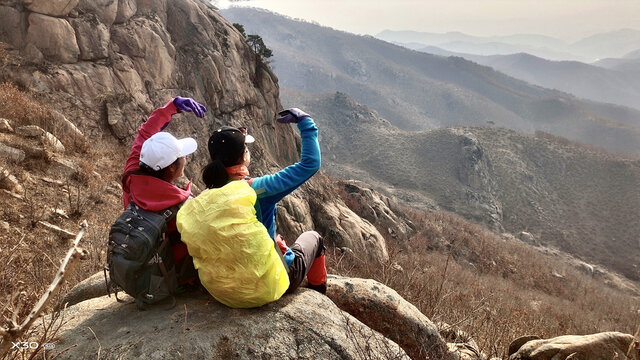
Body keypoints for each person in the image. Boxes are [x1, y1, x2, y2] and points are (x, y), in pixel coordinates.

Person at [176, 108, 327, 308]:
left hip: (223, 289)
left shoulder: (206, 196)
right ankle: (320, 298)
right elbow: (310, 164)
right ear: (243, 156)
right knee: (314, 238)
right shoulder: (257, 190)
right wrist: (307, 123)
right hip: (270, 280)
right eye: (246, 149)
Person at [121, 96, 207, 287]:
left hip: (140, 263)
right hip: (169, 275)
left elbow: (145, 134)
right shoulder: (180, 203)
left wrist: (172, 106)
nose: (186, 157)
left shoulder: (134, 170)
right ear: (170, 169)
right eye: (182, 156)